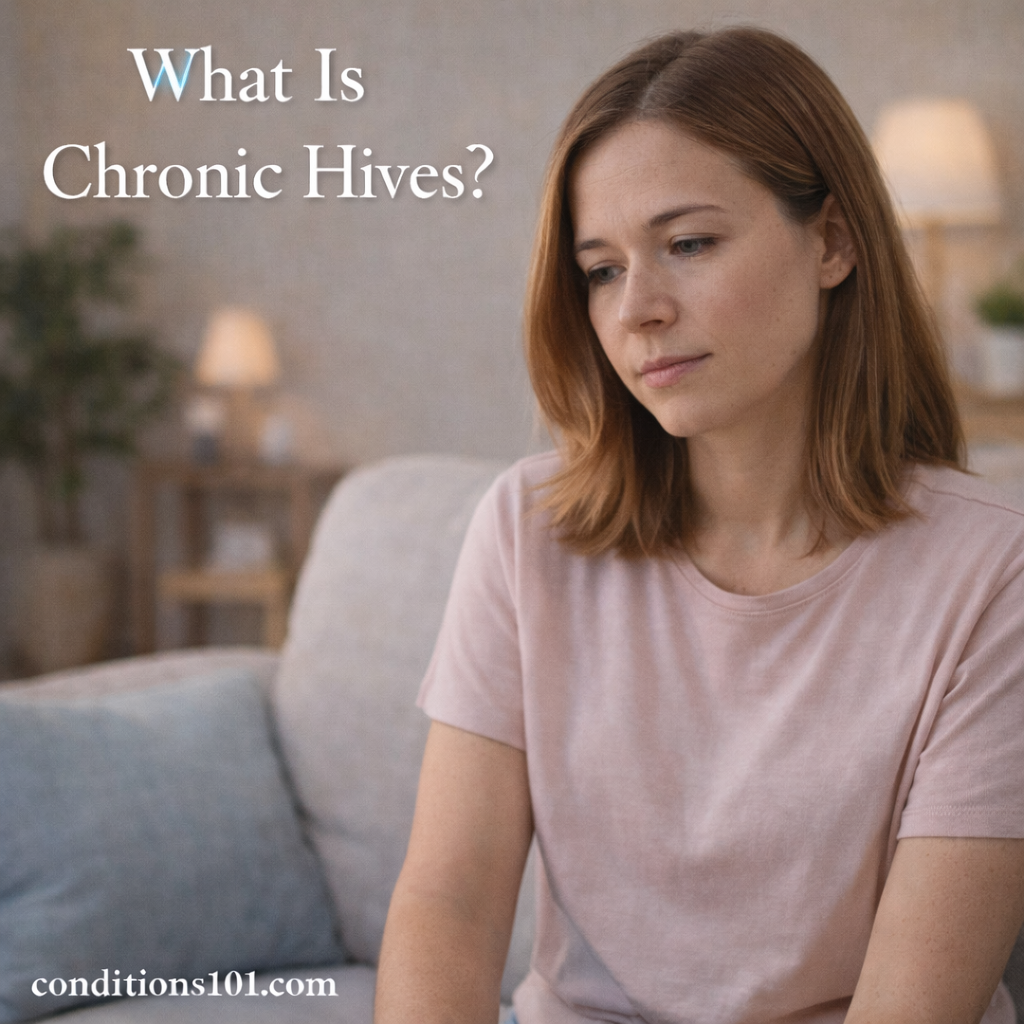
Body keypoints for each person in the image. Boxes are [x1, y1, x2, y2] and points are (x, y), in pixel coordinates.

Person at [374, 26, 1024, 1024]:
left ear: (832, 242)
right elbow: (447, 908)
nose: (636, 309)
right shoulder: (523, 528)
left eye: (687, 244)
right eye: (599, 269)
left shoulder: (992, 570)